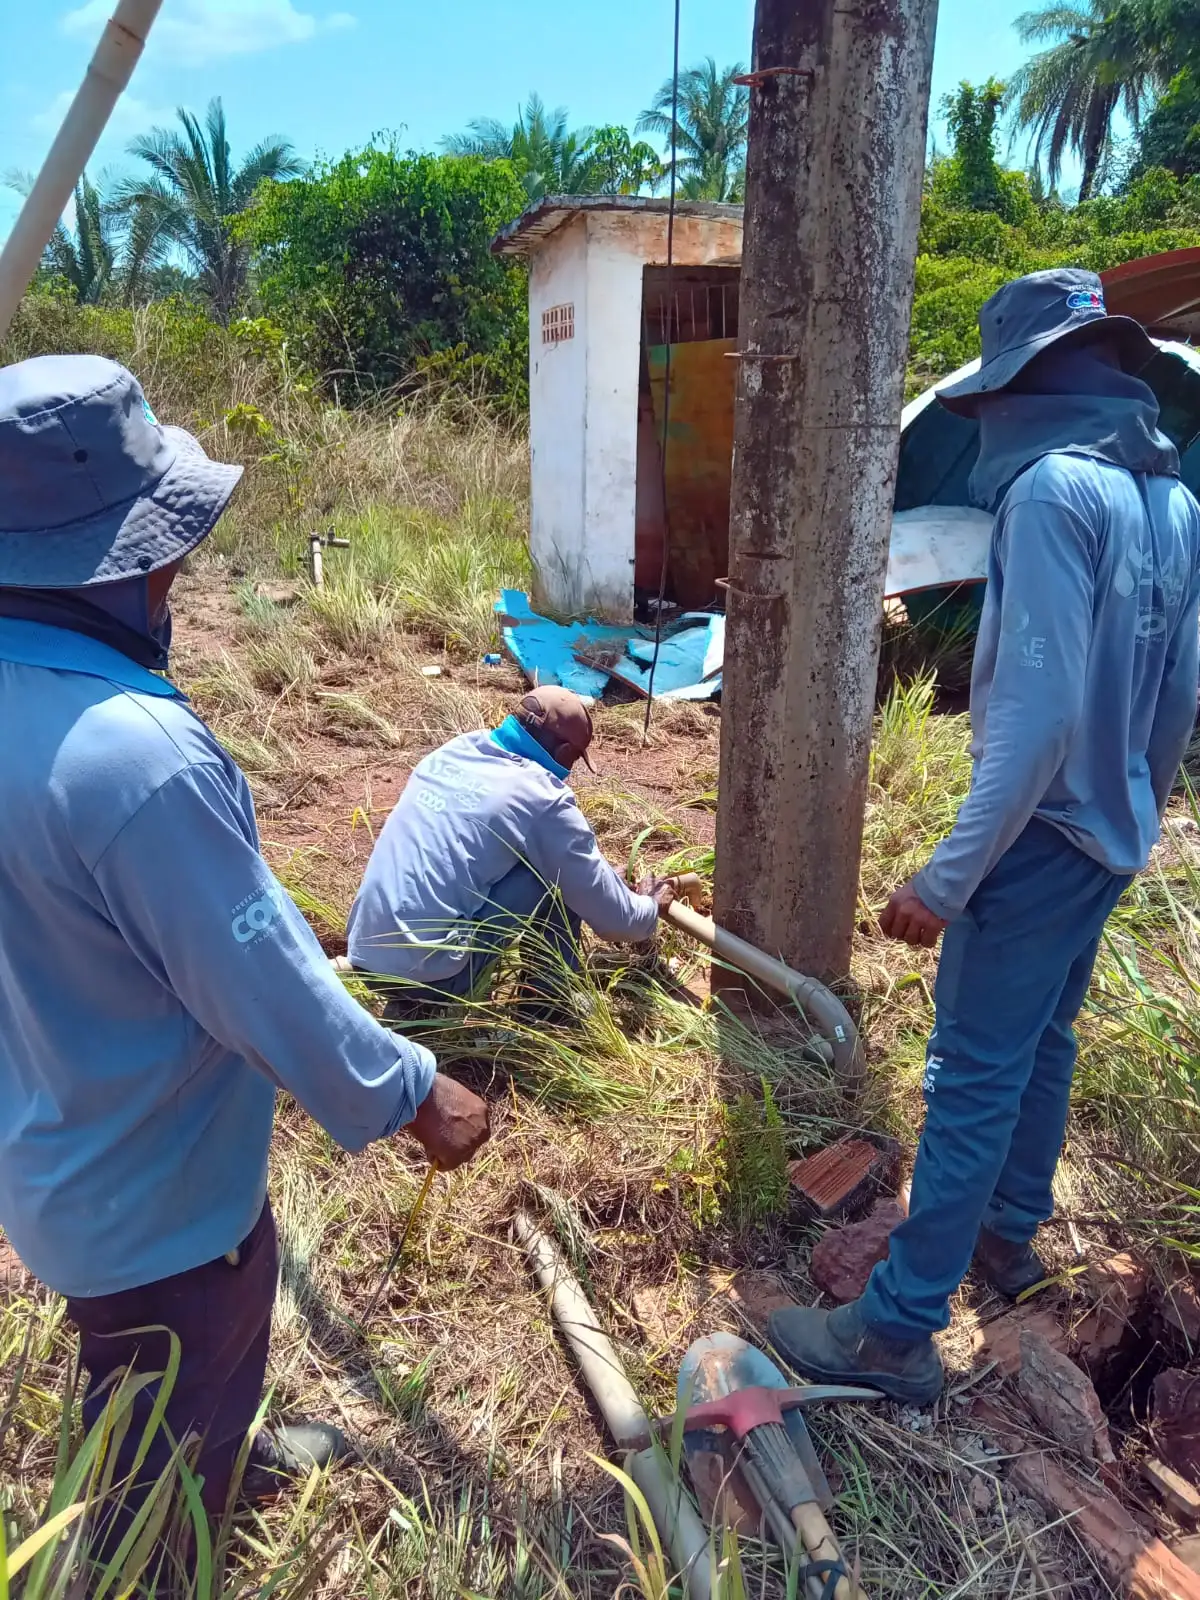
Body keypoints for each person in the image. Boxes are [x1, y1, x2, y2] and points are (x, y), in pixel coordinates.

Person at [0, 355, 490, 1536]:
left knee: (134, 1365)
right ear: (123, 553)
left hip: (54, 1156)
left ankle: (199, 1447)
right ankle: (164, 1528)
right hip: (162, 1199)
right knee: (188, 1361)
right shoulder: (137, 757)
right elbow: (265, 981)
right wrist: (418, 1093)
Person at [770, 268, 1200, 1405]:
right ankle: (1011, 1239)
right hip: (1108, 837)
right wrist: (1133, 819)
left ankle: (895, 1331)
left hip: (1038, 843)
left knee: (969, 1075)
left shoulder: (1054, 493)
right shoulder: (1173, 501)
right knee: (1045, 1044)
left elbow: (1037, 718)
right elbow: (1177, 698)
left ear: (1029, 383)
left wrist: (948, 877)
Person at [347, 687, 675, 1012]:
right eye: (574, 758)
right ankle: (547, 1007)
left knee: (547, 861)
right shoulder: (541, 795)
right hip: (428, 979)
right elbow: (617, 921)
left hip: (364, 954)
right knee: (552, 878)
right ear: (564, 752)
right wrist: (649, 906)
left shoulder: (453, 752)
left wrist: (603, 878)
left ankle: (417, 1002)